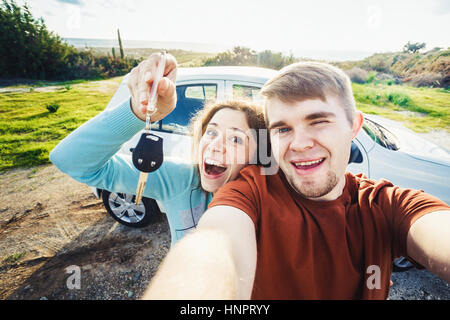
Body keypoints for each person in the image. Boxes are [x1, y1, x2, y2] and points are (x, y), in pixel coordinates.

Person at [143, 61, 450, 300]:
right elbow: (217, 243)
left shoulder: (386, 205)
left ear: (353, 126)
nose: (300, 144)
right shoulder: (252, 190)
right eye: (282, 129)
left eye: (318, 122)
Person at [49, 52, 266, 247]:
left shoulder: (272, 200)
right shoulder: (181, 179)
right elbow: (70, 160)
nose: (216, 145)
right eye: (211, 132)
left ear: (259, 155)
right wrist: (137, 112)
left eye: (236, 139)